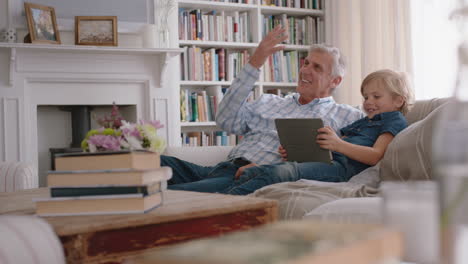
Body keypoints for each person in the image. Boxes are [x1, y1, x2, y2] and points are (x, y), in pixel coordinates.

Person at [163, 26, 363, 193]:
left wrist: (265, 169)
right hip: (219, 168)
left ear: (335, 81)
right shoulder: (270, 102)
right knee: (148, 163)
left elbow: (375, 142)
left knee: (172, 196)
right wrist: (255, 61)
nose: (305, 70)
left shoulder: (346, 115)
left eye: (317, 68)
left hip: (249, 178)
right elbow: (225, 120)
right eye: (306, 63)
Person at [223, 69, 413, 195]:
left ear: (398, 101)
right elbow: (333, 146)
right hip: (328, 162)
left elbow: (375, 156)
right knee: (258, 171)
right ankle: (223, 197)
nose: (368, 101)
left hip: (341, 171)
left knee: (283, 172)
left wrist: (338, 144)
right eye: (365, 97)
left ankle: (226, 201)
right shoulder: (364, 121)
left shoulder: (393, 120)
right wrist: (299, 150)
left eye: (376, 96)